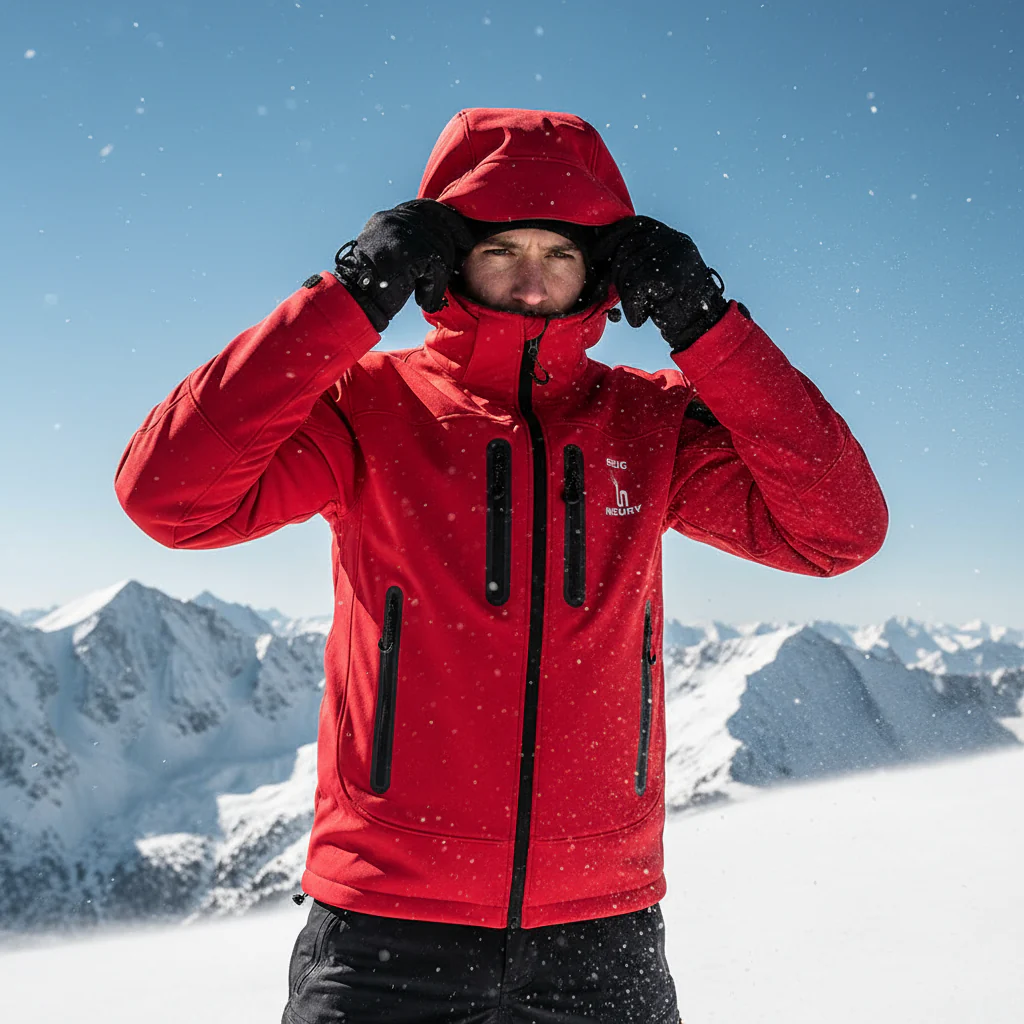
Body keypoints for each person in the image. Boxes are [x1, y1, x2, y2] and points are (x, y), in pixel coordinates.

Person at [115, 107, 888, 1023]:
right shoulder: (368, 405)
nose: (531, 281)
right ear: (446, 261)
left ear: (600, 272)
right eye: (500, 250)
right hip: (384, 929)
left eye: (559, 254)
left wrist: (708, 325)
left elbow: (839, 532)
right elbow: (167, 497)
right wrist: (349, 297)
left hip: (602, 932)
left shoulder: (649, 421)